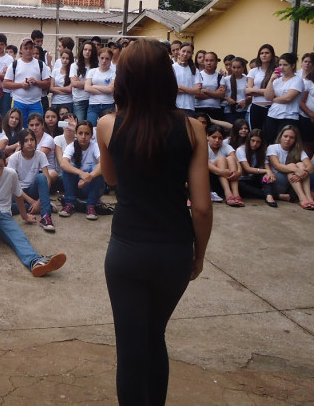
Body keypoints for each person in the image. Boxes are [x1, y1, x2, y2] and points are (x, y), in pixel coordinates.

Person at [97, 38, 212, 404]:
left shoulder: (107, 125)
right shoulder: (193, 129)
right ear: (167, 76)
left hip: (127, 251)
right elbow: (202, 208)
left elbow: (111, 178)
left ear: (124, 79)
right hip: (174, 249)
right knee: (154, 336)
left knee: (130, 349)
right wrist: (199, 254)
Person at [0, 147, 67, 275]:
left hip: (3, 215)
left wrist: (25, 216)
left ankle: (35, 261)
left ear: (5, 165)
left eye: (0, 167)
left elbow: (18, 196)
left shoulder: (11, 174)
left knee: (18, 236)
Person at [59, 120, 106, 219]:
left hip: (90, 186)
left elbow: (103, 164)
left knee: (95, 168)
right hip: (76, 186)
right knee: (70, 166)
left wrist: (88, 177)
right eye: (80, 133)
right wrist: (81, 173)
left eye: (87, 134)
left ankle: (91, 205)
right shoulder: (71, 146)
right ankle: (70, 203)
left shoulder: (95, 146)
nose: (83, 137)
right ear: (76, 134)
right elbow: (63, 164)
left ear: (92, 135)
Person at [266, 125, 314, 210]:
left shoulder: (299, 150)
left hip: (294, 182)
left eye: (291, 137)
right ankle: (302, 198)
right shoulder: (272, 147)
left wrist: (301, 174)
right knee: (292, 165)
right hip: (276, 180)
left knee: (301, 164)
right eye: (285, 136)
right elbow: (277, 166)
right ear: (280, 136)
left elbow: (311, 167)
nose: (288, 139)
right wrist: (296, 170)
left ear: (295, 140)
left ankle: (309, 198)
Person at [2, 37, 51, 122]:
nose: (28, 51)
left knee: (37, 125)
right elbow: (6, 84)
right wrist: (21, 85)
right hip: (18, 101)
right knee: (19, 126)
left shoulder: (40, 64)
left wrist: (36, 82)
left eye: (30, 48)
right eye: (26, 48)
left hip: (36, 102)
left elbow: (47, 83)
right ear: (21, 50)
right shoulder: (14, 64)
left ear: (33, 49)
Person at [263, 53, 304, 143]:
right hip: (273, 114)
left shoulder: (297, 80)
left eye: (285, 65)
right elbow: (267, 96)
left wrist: (274, 99)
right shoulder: (277, 80)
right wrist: (271, 80)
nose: (282, 67)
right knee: (271, 141)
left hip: (289, 116)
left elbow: (288, 98)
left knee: (284, 142)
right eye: (280, 65)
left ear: (293, 66)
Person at [206, 124, 244, 206]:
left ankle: (236, 193)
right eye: (214, 137)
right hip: (210, 178)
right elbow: (205, 163)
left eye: (220, 138)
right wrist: (221, 171)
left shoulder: (226, 147)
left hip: (227, 177)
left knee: (231, 159)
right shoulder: (204, 147)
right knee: (221, 159)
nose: (217, 140)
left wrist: (238, 172)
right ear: (207, 137)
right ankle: (228, 193)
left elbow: (236, 161)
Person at [245, 44, 276, 131]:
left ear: (272, 55)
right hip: (256, 106)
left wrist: (256, 91)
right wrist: (266, 92)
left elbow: (276, 92)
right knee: (255, 133)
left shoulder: (276, 71)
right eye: (261, 53)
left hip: (271, 107)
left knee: (269, 133)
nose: (264, 55)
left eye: (267, 53)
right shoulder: (253, 71)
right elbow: (248, 91)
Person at [84, 47, 117, 126]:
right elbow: (87, 88)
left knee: (108, 128)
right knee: (91, 127)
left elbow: (110, 89)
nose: (104, 61)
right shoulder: (92, 71)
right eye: (102, 58)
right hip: (93, 105)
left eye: (107, 59)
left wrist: (94, 86)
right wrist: (105, 90)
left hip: (108, 104)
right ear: (98, 58)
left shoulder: (114, 73)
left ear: (111, 59)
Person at [71, 40, 96, 122]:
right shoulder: (74, 66)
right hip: (79, 100)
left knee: (92, 125)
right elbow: (74, 84)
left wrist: (80, 83)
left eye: (90, 50)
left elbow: (99, 83)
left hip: (93, 100)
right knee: (80, 124)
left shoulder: (97, 66)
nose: (87, 52)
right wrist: (90, 84)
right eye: (85, 49)